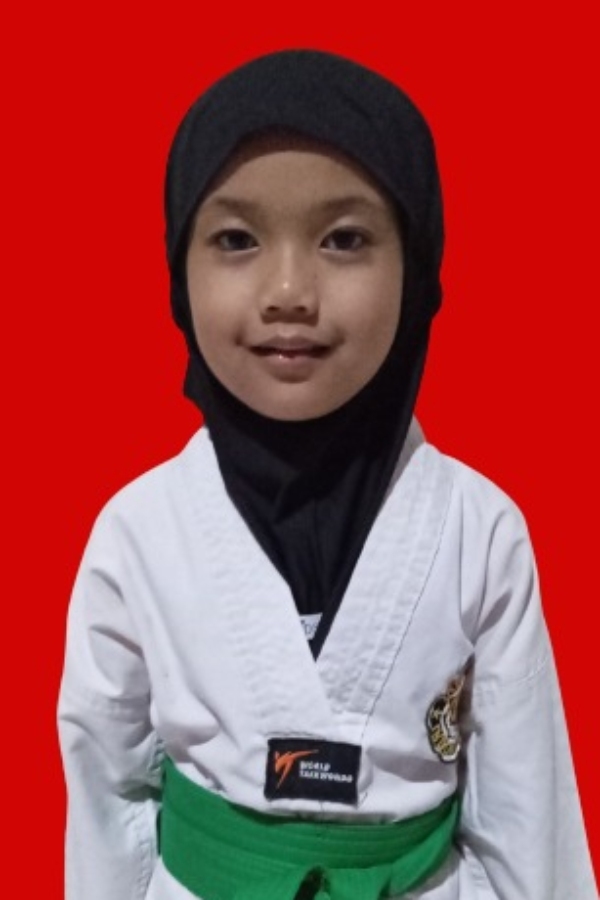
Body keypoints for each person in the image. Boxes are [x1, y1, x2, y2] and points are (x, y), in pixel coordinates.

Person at [58, 49, 597, 899]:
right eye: (236, 240)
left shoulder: (479, 531)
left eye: (344, 239)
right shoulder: (139, 531)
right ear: (178, 271)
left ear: (417, 267)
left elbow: (528, 814)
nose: (288, 290)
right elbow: (105, 788)